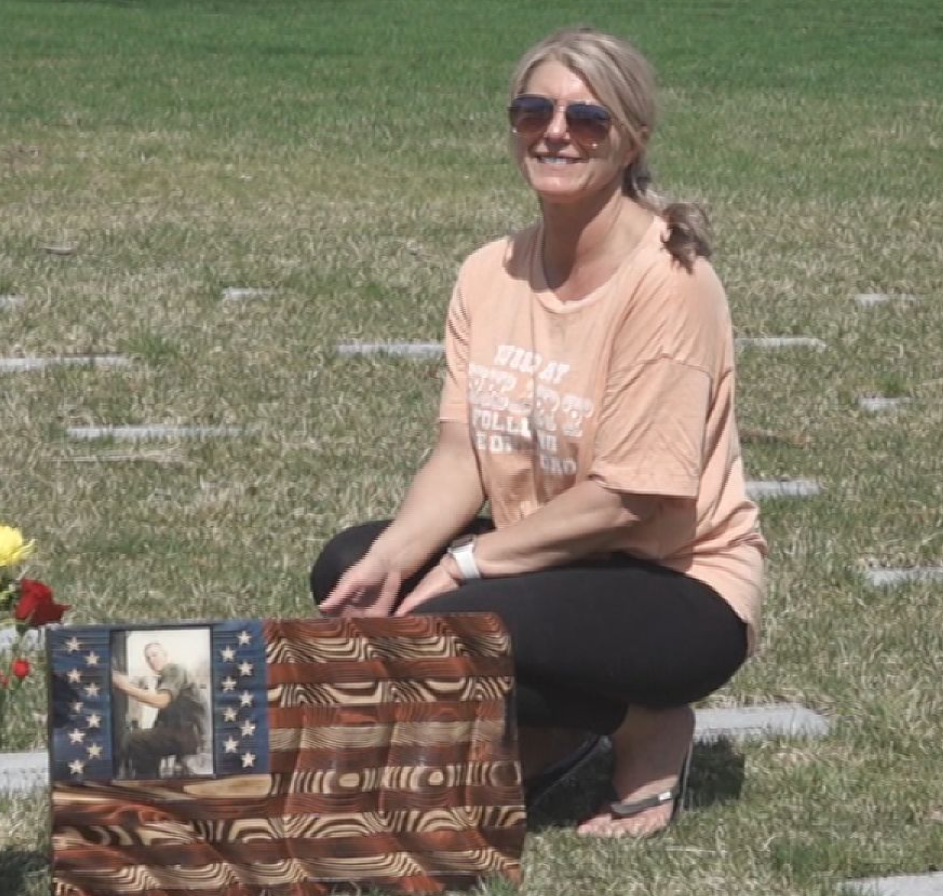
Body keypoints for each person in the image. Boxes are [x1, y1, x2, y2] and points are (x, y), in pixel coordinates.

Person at [311, 27, 765, 839]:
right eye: (534, 111)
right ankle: (551, 730)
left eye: (587, 118)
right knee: (350, 571)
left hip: (676, 586)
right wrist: (392, 560)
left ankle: (644, 726)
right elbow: (461, 454)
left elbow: (633, 498)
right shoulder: (490, 272)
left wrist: (463, 563)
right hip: (551, 557)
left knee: (448, 614)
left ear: (633, 139)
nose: (556, 133)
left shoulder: (670, 282)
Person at [111, 642, 208, 778]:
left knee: (134, 739)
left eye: (155, 655)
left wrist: (125, 687)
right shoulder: (165, 677)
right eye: (148, 658)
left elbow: (160, 701)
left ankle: (146, 784)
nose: (151, 660)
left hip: (188, 735)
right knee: (149, 738)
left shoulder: (174, 669)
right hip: (188, 735)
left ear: (166, 655)